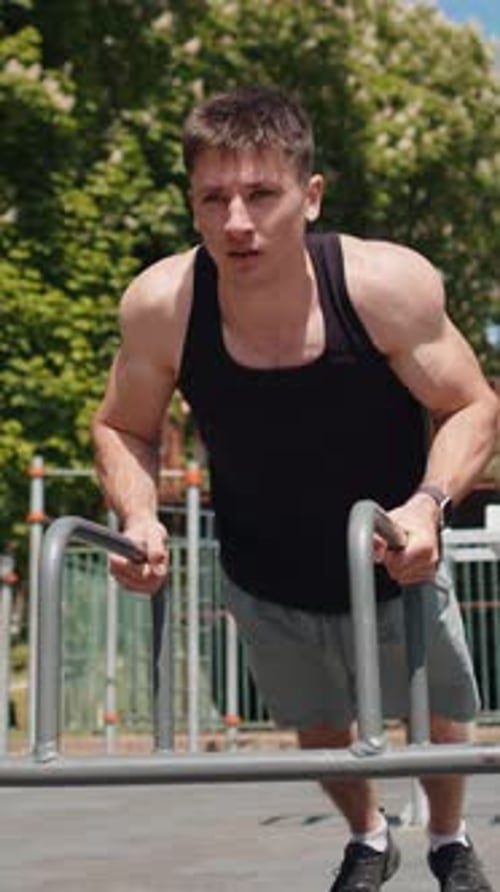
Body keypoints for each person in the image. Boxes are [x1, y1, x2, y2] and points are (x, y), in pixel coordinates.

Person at [91, 86, 498, 891]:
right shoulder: (162, 306)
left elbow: (472, 405)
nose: (237, 222)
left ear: (309, 196)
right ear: (193, 204)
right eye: (214, 199)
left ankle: (448, 840)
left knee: (439, 715)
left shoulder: (384, 286)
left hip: (393, 554)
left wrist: (428, 506)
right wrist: (138, 517)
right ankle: (369, 838)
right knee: (318, 726)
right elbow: (121, 426)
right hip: (264, 568)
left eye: (261, 194)